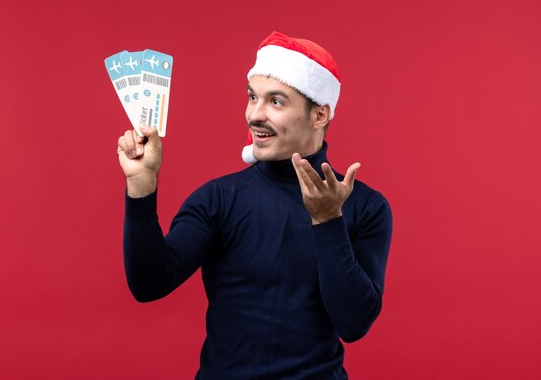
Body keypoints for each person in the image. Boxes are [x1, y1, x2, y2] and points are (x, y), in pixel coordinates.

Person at [117, 31, 393, 380]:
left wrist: (328, 221)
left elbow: (353, 323)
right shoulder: (219, 199)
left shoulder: (365, 206)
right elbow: (149, 284)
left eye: (276, 102)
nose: (255, 115)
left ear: (319, 114)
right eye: (252, 97)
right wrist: (141, 187)